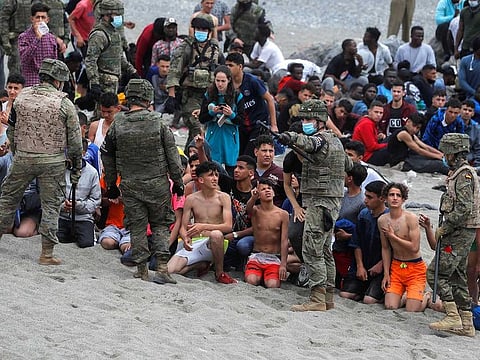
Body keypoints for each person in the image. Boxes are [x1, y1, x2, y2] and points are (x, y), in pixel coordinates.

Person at [101, 79, 184, 284]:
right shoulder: (157, 122)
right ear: (148, 98)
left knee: (137, 226)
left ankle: (141, 269)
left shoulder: (118, 122)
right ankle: (163, 268)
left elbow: (107, 154)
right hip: (157, 184)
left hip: (130, 183)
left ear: (129, 98)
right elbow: (172, 155)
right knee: (161, 224)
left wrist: (112, 184)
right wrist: (178, 182)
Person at [0, 59, 83, 265]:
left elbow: (12, 127)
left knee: (7, 200)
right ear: (58, 81)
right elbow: (74, 141)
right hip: (53, 161)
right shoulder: (64, 103)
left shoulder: (22, 96)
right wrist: (76, 169)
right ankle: (46, 253)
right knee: (51, 206)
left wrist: (18, 151)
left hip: (23, 158)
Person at [277, 99, 352, 311]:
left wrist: (290, 137)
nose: (305, 123)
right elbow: (348, 165)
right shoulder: (336, 141)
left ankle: (317, 298)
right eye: (303, 119)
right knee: (325, 251)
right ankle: (327, 297)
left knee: (312, 250)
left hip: (320, 202)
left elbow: (310, 144)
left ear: (320, 121)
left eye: (309, 119)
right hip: (331, 201)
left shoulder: (320, 140)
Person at [427, 133, 480, 336]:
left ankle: (452, 315)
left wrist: (444, 228)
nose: (444, 156)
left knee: (435, 274)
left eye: (445, 152)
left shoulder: (464, 175)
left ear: (453, 152)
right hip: (461, 231)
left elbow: (464, 209)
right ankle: (466, 323)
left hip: (459, 232)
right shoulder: (458, 173)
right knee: (457, 277)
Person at [168, 161, 237, 284]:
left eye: (216, 175)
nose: (215, 178)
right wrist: (184, 237)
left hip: (215, 244)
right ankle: (200, 265)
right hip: (195, 242)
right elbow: (183, 227)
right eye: (211, 175)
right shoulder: (191, 199)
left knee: (216, 234)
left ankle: (219, 272)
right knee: (171, 270)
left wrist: (203, 226)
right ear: (200, 180)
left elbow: (228, 226)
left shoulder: (223, 197)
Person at [166, 13, 221, 149]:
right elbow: (174, 70)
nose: (201, 32)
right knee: (196, 127)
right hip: (189, 95)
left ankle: (189, 157)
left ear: (209, 32)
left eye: (204, 30)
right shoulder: (186, 47)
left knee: (197, 132)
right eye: (198, 29)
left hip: (208, 95)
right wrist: (171, 96)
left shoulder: (214, 48)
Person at [379, 182, 429, 312]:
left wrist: (393, 236)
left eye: (398, 195)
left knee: (412, 310)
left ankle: (426, 296)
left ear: (403, 199)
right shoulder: (382, 220)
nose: (395, 198)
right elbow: (385, 248)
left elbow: (414, 247)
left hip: (415, 267)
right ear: (385, 198)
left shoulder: (410, 218)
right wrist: (386, 274)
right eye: (391, 195)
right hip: (397, 266)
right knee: (390, 306)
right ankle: (408, 295)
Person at [339, 180, 388, 304]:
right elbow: (356, 243)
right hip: (364, 264)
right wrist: (360, 266)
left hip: (382, 267)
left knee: (369, 300)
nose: (365, 200)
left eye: (370, 197)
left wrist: (381, 264)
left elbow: (393, 248)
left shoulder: (389, 217)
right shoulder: (364, 215)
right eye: (365, 196)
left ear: (382, 198)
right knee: (345, 294)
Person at [225, 52, 277, 156]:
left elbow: (270, 99)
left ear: (240, 67)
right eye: (226, 65)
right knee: (239, 156)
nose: (227, 68)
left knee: (250, 156)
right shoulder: (226, 83)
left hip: (258, 124)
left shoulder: (252, 81)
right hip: (240, 126)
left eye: (230, 65)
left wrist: (273, 125)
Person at [85, 0, 137, 98]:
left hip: (114, 81)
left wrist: (132, 71)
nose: (119, 18)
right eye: (116, 15)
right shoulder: (99, 35)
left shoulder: (114, 33)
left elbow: (119, 57)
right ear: (106, 14)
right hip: (103, 82)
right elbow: (90, 61)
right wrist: (94, 83)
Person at [198, 65, 245, 175]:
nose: (220, 84)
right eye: (217, 80)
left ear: (229, 80)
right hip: (213, 134)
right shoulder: (209, 94)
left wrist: (231, 114)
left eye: (223, 81)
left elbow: (241, 121)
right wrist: (212, 112)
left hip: (230, 136)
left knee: (231, 169)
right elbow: (202, 119)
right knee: (212, 167)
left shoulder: (237, 96)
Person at [245, 178, 288, 288]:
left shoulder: (283, 214)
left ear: (274, 193)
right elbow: (248, 209)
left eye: (269, 188)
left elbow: (284, 241)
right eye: (263, 189)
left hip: (274, 257)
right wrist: (253, 198)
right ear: (259, 194)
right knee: (251, 280)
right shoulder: (255, 211)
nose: (267, 191)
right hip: (257, 255)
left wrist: (283, 264)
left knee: (272, 285)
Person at [57, 142, 101, 248]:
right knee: (58, 240)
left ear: (84, 153)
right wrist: (63, 205)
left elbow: (96, 200)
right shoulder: (60, 170)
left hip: (83, 217)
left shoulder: (92, 173)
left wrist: (78, 205)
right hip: (62, 216)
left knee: (86, 243)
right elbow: (53, 195)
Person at [18, 3, 58, 87]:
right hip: (30, 82)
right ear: (32, 19)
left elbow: (54, 62)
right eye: (37, 17)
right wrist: (37, 38)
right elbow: (24, 59)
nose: (40, 20)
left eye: (43, 17)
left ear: (47, 20)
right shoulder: (24, 37)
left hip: (47, 84)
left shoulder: (51, 38)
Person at [0, 0, 38, 74]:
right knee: (16, 70)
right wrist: (5, 41)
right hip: (16, 40)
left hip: (33, 39)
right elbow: (3, 19)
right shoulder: (12, 1)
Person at [352, 100, 389, 166]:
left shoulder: (369, 121)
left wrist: (377, 138)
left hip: (367, 153)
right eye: (376, 112)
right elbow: (372, 147)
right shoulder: (367, 124)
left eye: (381, 113)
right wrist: (388, 144)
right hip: (366, 157)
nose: (378, 115)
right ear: (369, 111)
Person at [253, 134, 285, 208]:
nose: (268, 154)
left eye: (271, 151)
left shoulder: (281, 174)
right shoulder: (247, 171)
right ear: (256, 152)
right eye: (264, 151)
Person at [460, 99, 480, 172]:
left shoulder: (477, 128)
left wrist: (477, 165)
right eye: (465, 109)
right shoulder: (453, 123)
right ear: (460, 110)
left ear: (473, 113)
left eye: (470, 110)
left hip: (469, 160)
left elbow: (478, 148)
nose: (467, 112)